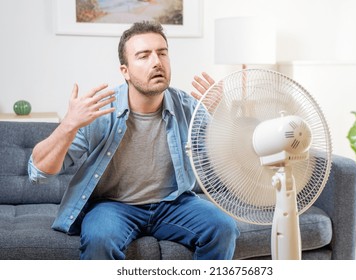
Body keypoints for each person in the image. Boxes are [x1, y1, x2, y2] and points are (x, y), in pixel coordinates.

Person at [28, 21, 239, 260]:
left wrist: (225, 118)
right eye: (143, 56)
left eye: (162, 53)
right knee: (100, 239)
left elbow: (233, 165)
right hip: (113, 206)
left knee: (223, 228)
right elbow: (38, 172)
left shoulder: (188, 108)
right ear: (125, 71)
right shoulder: (101, 111)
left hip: (173, 204)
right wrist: (68, 125)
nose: (157, 62)